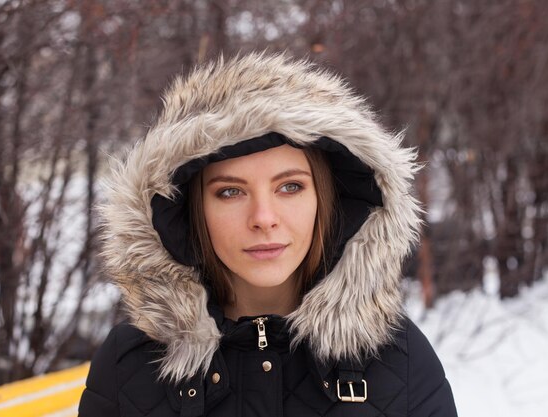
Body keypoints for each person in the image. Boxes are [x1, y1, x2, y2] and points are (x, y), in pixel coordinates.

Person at [78, 52, 458, 417]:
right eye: (230, 192)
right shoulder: (127, 366)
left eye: (290, 187)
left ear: (326, 200)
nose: (263, 218)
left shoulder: (398, 359)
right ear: (190, 212)